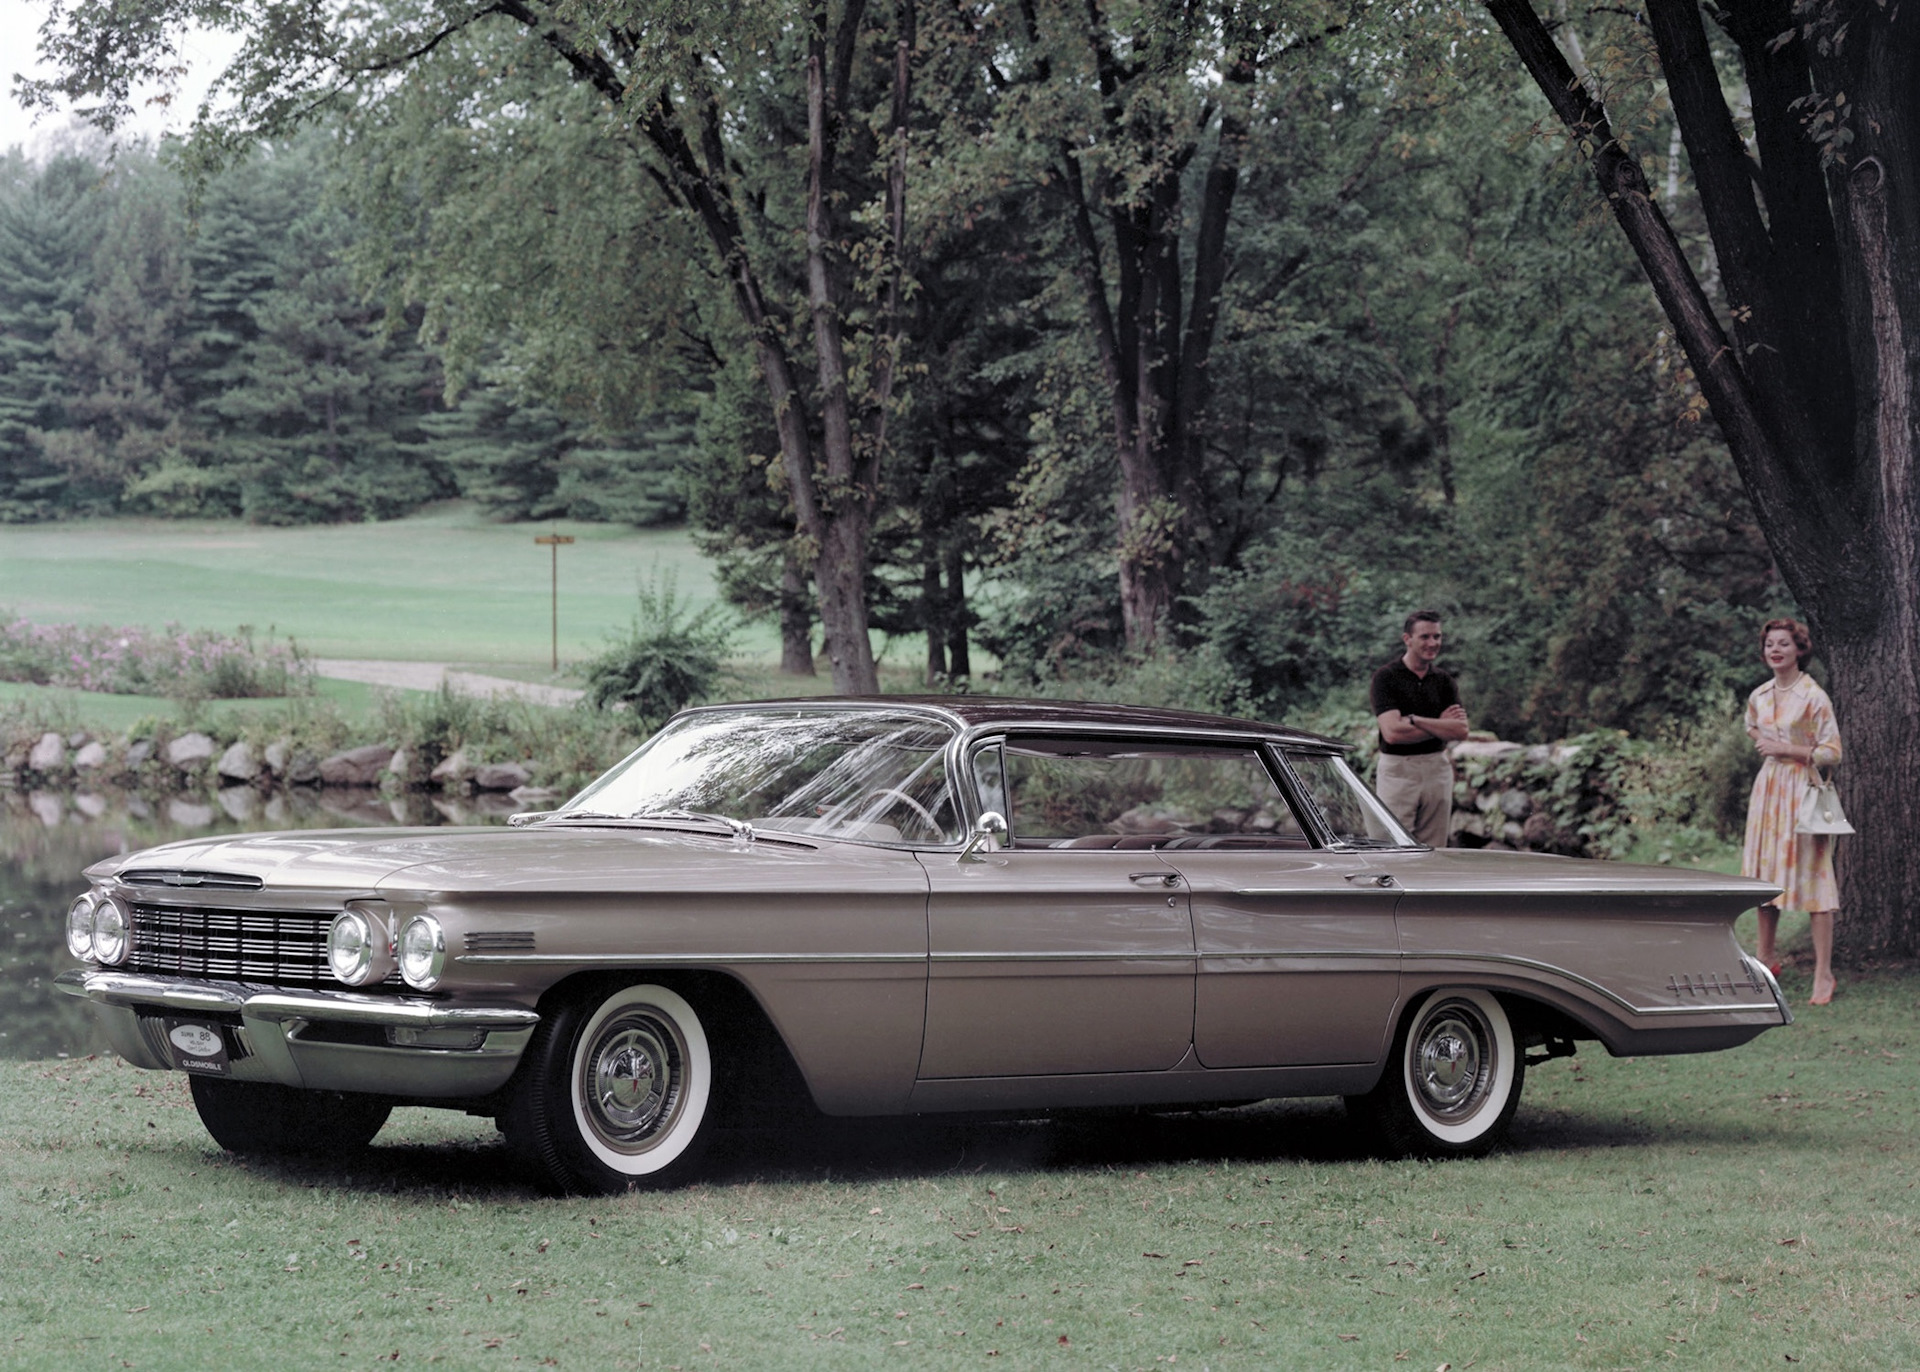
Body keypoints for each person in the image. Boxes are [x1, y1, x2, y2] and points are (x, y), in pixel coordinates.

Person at [1743, 617, 1844, 1006]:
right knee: (1765, 879)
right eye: (1770, 644)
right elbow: (1752, 724)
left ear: (1799, 649)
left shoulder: (1813, 696)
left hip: (1803, 792)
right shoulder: (1761, 695)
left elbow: (1832, 751)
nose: (1775, 650)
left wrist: (1788, 750)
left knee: (1815, 880)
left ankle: (1824, 972)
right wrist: (1764, 739)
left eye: (1784, 644)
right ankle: (1765, 960)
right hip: (1768, 791)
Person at [1370, 610, 1469, 847]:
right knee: (1391, 846)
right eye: (1425, 637)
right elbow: (1392, 733)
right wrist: (1440, 724)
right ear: (1408, 639)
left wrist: (1415, 720)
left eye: (1437, 637)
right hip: (1398, 771)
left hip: (1437, 769)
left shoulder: (1444, 681)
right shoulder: (1386, 678)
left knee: (1434, 851)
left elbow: (1460, 731)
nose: (1433, 643)